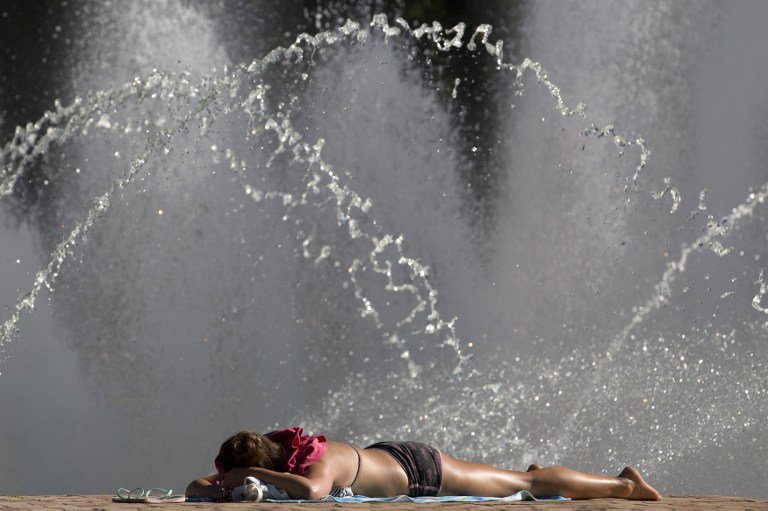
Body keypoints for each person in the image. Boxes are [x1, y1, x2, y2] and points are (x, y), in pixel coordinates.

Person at [185, 426, 661, 501]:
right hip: (393, 456)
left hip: (421, 472)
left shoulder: (314, 466)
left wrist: (263, 478)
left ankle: (624, 486)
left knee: (528, 482)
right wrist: (219, 483)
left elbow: (313, 494)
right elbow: (195, 487)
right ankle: (553, 478)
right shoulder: (279, 450)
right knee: (523, 478)